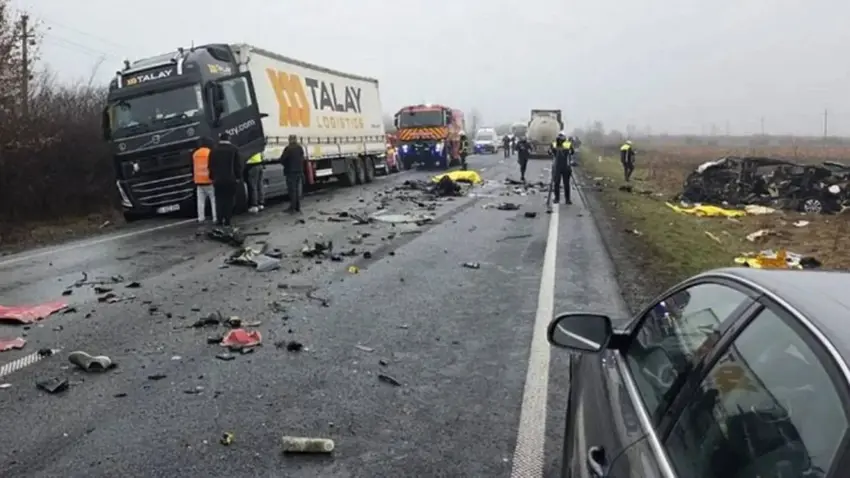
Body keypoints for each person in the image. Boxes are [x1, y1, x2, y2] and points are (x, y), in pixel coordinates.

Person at [208, 132, 242, 226]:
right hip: (230, 180)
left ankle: (219, 220)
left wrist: (212, 177)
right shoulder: (234, 149)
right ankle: (227, 220)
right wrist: (238, 177)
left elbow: (210, 165)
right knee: (229, 200)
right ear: (229, 138)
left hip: (218, 180)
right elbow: (237, 166)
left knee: (219, 200)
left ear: (220, 139)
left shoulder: (213, 150)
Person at [192, 138, 217, 223]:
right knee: (213, 200)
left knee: (200, 202)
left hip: (199, 181)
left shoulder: (195, 154)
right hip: (209, 181)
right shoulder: (210, 153)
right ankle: (215, 218)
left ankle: (201, 218)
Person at [279, 134, 305, 213]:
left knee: (292, 190)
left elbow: (282, 159)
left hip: (290, 172)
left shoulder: (288, 149)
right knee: (297, 190)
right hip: (299, 171)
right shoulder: (299, 148)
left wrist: (286, 166)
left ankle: (292, 207)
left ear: (290, 140)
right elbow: (302, 158)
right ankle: (297, 207)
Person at [549, 132, 574, 204]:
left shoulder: (567, 144)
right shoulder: (554, 144)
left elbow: (572, 152)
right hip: (557, 166)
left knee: (566, 183)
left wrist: (569, 151)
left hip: (565, 166)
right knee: (557, 183)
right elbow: (550, 152)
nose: (560, 139)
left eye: (562, 138)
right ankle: (558, 198)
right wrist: (551, 151)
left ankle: (567, 199)